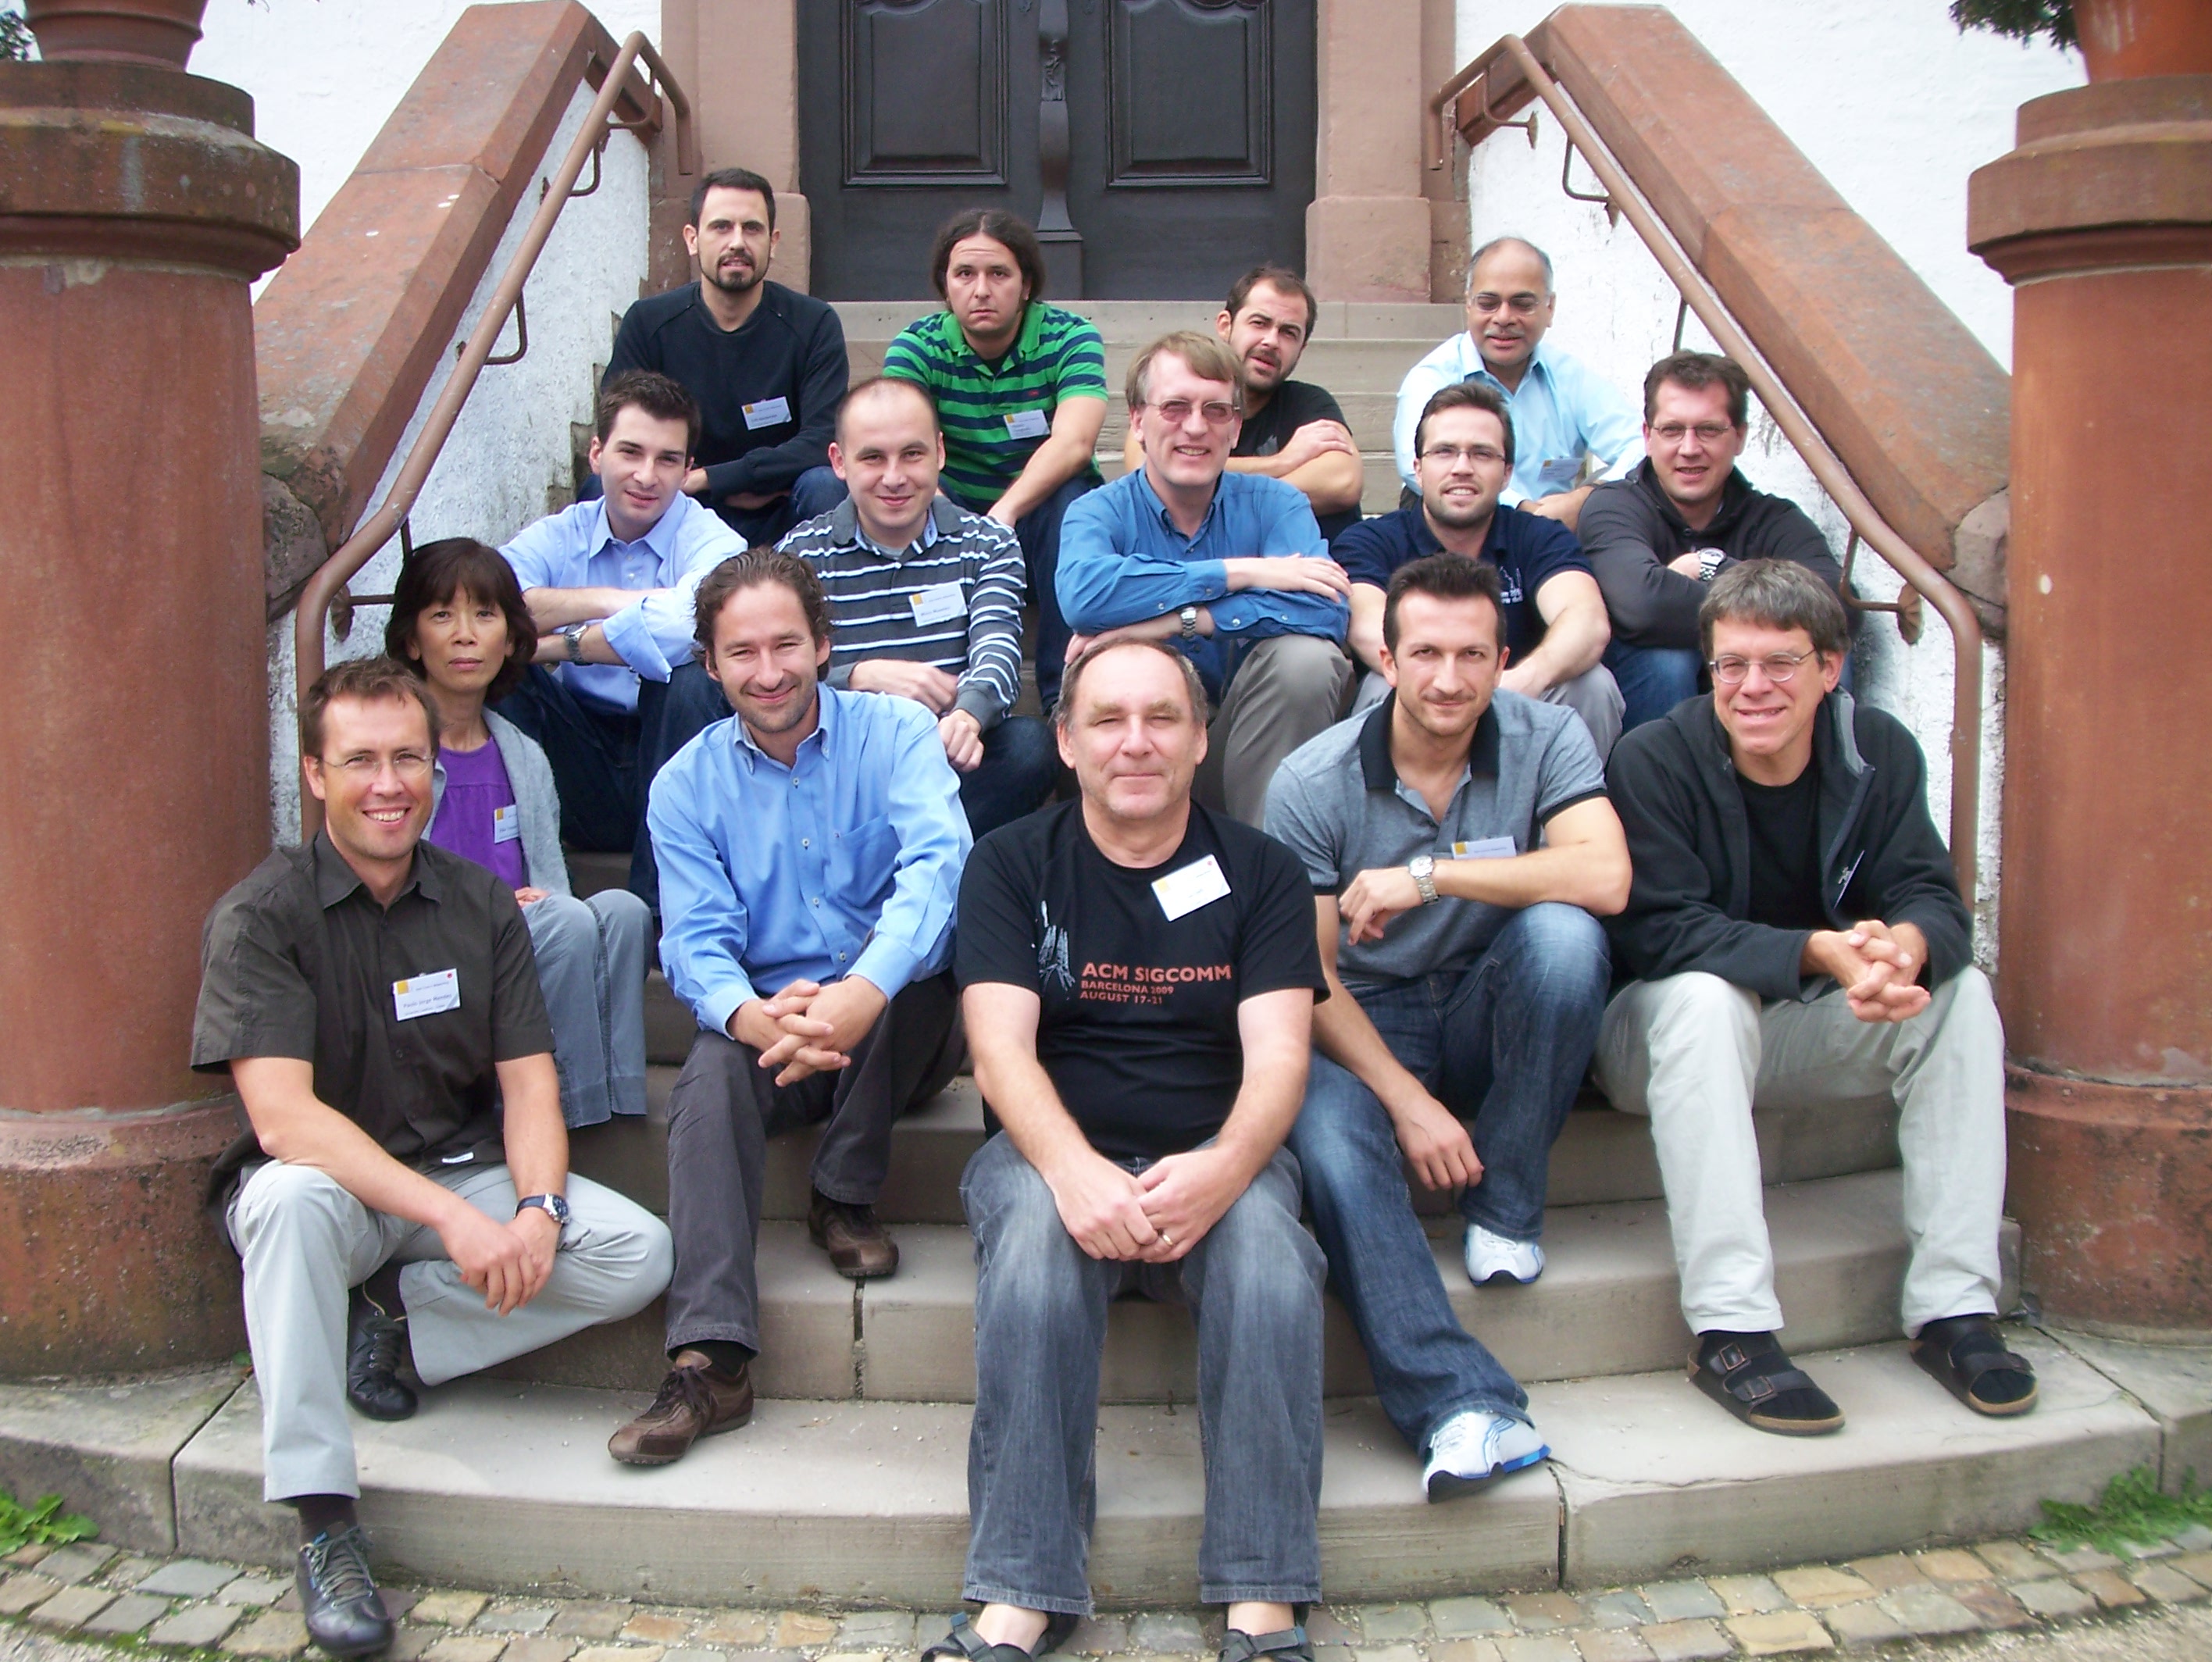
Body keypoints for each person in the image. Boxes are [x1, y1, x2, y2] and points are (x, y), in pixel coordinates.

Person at [192, 658, 673, 1657]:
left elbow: (530, 1086)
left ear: (434, 770)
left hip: (458, 1168)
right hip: (329, 1187)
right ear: (316, 775)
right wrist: (455, 1220)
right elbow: (283, 1120)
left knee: (639, 1252)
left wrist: (536, 1208)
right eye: (360, 760)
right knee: (285, 1204)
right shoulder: (261, 915)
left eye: (408, 758)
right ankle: (325, 1522)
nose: (389, 783)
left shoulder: (481, 903)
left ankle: (397, 1319)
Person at [942, 637, 1328, 1662]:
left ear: (1202, 738)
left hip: (1216, 1150)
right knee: (1034, 1249)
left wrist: (1226, 1167)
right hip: (1046, 1156)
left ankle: (1263, 1589)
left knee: (1271, 1258)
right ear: (1067, 742)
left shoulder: (1262, 871)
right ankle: (1022, 1589)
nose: (1136, 742)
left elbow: (1281, 1058)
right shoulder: (1010, 862)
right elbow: (998, 1051)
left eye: (1162, 717)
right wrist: (1074, 1172)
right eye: (1107, 720)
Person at [1597, 560, 2032, 1436]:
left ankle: (1955, 1309)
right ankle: (1732, 1330)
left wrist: (1900, 952)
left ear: (1830, 667)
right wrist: (1817, 952)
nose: (1752, 686)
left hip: (1791, 1031)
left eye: (1779, 663)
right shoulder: (1655, 756)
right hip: (1657, 1036)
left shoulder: (1877, 750)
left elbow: (1930, 895)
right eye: (1731, 664)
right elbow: (1661, 933)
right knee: (1706, 999)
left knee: (1959, 993)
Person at [1265, 554, 1625, 1498]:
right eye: (1425, 653)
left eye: (1473, 655)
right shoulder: (1313, 779)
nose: (1449, 679)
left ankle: (1504, 1203)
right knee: (1325, 1133)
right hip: (1364, 1020)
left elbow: (1605, 876)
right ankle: (1458, 1403)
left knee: (1566, 938)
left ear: (1504, 660)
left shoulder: (1547, 735)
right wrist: (1407, 1102)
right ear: (1386, 659)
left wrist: (1430, 876)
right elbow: (1309, 978)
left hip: (1486, 998)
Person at [608, 551, 970, 1466]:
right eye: (741, 652)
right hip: (776, 1029)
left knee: (915, 965)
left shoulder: (897, 733)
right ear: (710, 663)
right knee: (706, 1079)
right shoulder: (684, 784)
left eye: (785, 645)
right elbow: (695, 939)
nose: (767, 671)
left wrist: (862, 990)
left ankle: (842, 1195)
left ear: (824, 645)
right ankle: (711, 1359)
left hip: (902, 1024)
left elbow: (939, 870)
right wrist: (752, 1016)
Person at [384, 537, 651, 1131]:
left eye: (485, 615)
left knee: (625, 912)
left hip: (519, 939)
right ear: (412, 639)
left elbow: (550, 881)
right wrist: (497, 908)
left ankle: (614, 1099)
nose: (465, 635)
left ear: (509, 640)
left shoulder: (522, 752)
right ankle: (566, 1113)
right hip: (433, 946)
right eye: (442, 616)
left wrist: (537, 905)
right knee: (567, 921)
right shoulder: (395, 754)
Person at [1058, 330, 1354, 827]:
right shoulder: (1097, 512)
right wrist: (1240, 571)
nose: (1195, 428)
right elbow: (1085, 596)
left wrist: (1181, 621)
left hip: (1243, 742)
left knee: (1307, 660)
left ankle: (1268, 856)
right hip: (1139, 747)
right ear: (1138, 421)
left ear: (1235, 428)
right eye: (1175, 407)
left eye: (1216, 411)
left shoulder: (1277, 504)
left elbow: (1327, 609)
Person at [495, 370, 745, 910]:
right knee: (497, 668)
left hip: (677, 746)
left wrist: (561, 644)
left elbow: (696, 623)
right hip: (580, 757)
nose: (646, 475)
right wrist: (615, 599)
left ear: (688, 470)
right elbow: (493, 609)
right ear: (596, 454)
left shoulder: (712, 539)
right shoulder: (560, 534)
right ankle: (540, 901)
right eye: (630, 452)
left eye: (667, 460)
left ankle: (657, 912)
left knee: (689, 678)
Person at [780, 376, 1058, 837]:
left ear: (939, 453)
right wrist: (859, 676)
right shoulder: (802, 555)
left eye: (912, 454)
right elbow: (779, 671)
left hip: (945, 758)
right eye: (873, 457)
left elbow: (998, 648)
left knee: (1028, 747)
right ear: (839, 462)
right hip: (843, 763)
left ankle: (892, 852)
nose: (894, 477)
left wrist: (969, 715)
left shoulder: (988, 543)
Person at [883, 209, 1109, 708]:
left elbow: (1075, 443)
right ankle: (932, 694)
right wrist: (962, 524)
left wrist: (1002, 516)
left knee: (1074, 504)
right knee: (897, 493)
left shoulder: (1070, 338)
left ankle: (1064, 700)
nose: (981, 290)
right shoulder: (918, 347)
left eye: (999, 274)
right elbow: (900, 446)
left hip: (1040, 515)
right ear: (945, 285)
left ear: (1026, 285)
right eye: (965, 274)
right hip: (950, 507)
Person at [1339, 383, 1622, 759]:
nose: (1462, 468)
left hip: (1519, 698)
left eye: (1482, 454)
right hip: (1422, 701)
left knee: (1593, 685)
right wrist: (1454, 685)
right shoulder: (1371, 541)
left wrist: (1517, 680)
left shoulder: (1539, 535)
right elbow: (1367, 628)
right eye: (1444, 452)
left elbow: (1587, 620)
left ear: (1506, 474)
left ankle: (1568, 796)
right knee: (1384, 683)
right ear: (1418, 469)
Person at [1579, 352, 1849, 733]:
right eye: (1672, 430)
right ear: (1648, 437)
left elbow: (1837, 605)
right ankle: (1661, 774)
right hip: (1649, 697)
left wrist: (1713, 567)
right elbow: (1645, 605)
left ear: (1739, 436)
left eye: (1708, 430)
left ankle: (1816, 770)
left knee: (1821, 657)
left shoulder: (1774, 519)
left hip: (1757, 692)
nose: (1689, 448)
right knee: (1668, 661)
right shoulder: (1614, 507)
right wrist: (1772, 607)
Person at [602, 166, 847, 544]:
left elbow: (823, 441)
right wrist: (691, 483)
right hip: (677, 506)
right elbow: (620, 430)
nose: (737, 242)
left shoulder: (814, 324)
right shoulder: (649, 323)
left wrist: (714, 478)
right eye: (721, 227)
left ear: (773, 242)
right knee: (600, 488)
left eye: (752, 229)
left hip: (779, 510)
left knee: (825, 485)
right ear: (692, 239)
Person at [1392, 237, 1642, 532]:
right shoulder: (1432, 378)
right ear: (1468, 304)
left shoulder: (1570, 377)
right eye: (1488, 303)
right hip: (1460, 529)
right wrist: (1522, 510)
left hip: (1553, 533)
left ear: (1550, 308)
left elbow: (1641, 445)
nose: (1504, 318)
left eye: (1522, 304)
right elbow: (1414, 464)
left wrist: (1588, 498)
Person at [1121, 266, 1365, 543]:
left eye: (1289, 333)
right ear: (1226, 325)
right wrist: (1282, 462)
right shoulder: (1175, 395)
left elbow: (1343, 482)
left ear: (1302, 348)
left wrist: (1213, 500)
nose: (1271, 341)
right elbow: (1145, 467)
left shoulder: (1309, 404)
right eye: (1259, 323)